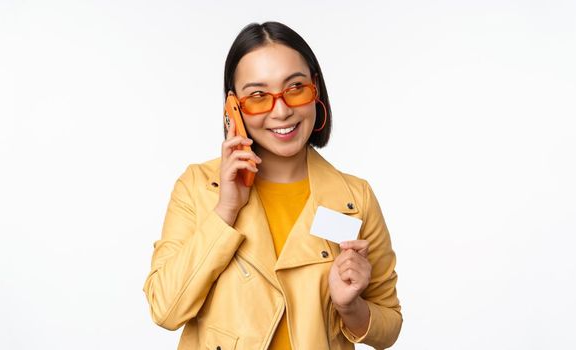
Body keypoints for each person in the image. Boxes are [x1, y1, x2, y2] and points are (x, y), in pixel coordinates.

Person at [143, 21, 402, 349]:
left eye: (295, 88)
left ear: (315, 90)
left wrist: (350, 306)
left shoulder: (354, 198)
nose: (281, 111)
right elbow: (165, 309)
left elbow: (389, 323)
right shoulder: (197, 187)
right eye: (258, 96)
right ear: (233, 108)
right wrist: (225, 210)